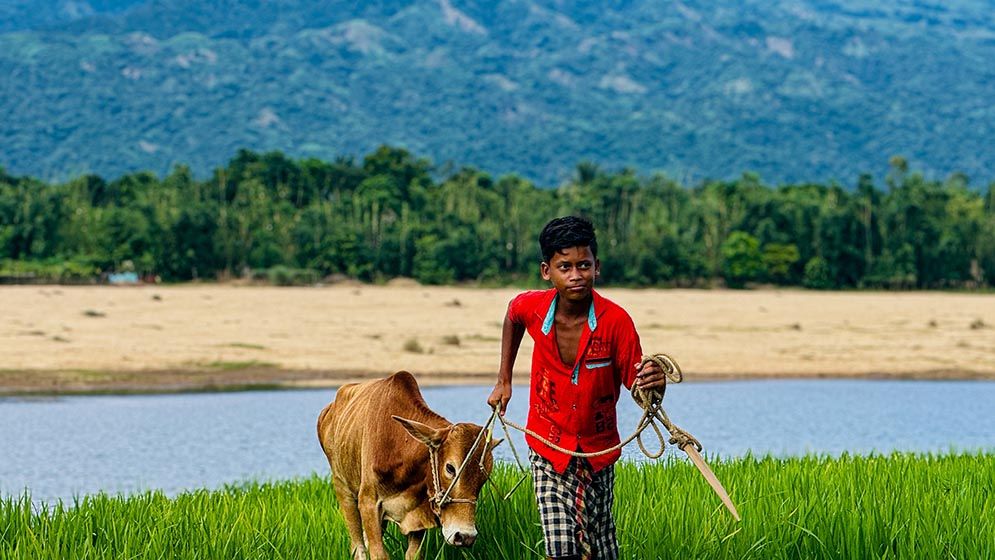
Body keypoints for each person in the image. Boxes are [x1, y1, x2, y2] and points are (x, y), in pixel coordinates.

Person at [487, 216, 668, 560]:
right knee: (562, 548)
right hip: (548, 444)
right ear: (547, 271)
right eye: (564, 266)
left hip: (598, 450)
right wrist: (503, 379)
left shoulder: (616, 322)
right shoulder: (533, 308)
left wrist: (653, 379)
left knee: (601, 545)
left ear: (596, 267)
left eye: (583, 265)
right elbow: (512, 314)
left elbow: (636, 382)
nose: (575, 275)